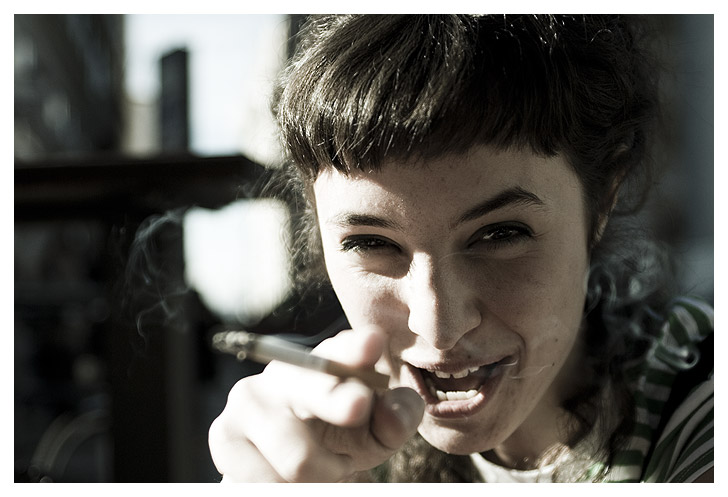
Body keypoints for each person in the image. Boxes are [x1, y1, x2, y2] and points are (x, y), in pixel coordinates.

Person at [208, 14, 714, 482]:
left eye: (500, 234)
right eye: (371, 243)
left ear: (602, 200)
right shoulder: (341, 452)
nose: (439, 327)